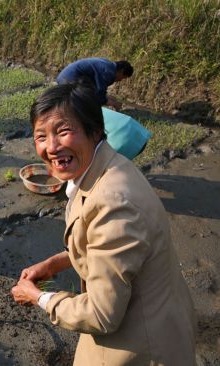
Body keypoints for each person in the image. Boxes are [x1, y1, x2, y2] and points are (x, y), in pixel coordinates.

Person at [11, 83, 196, 365]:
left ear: (95, 130)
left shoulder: (113, 202)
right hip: (160, 312)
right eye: (41, 136)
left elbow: (101, 314)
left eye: (63, 131)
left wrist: (39, 297)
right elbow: (105, 248)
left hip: (140, 345)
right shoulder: (109, 164)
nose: (52, 147)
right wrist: (54, 264)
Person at [56, 58, 133, 110]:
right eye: (123, 77)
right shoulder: (108, 71)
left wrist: (107, 99)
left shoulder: (108, 65)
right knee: (84, 103)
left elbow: (99, 89)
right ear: (121, 71)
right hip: (69, 79)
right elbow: (100, 93)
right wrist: (113, 103)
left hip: (65, 76)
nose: (120, 80)